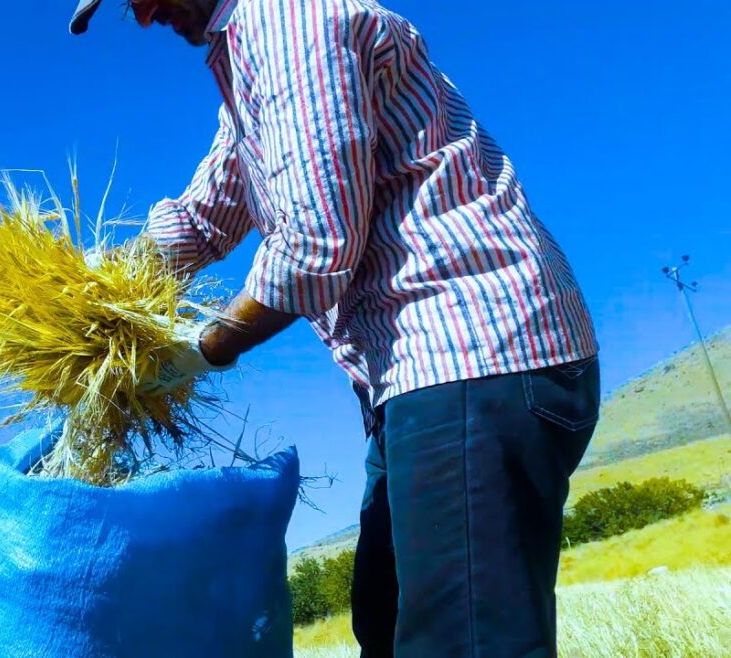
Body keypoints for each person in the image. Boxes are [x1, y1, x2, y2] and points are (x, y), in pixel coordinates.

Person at [70, 1, 601, 656]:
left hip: (468, 352)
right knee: (387, 623)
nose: (145, 17)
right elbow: (206, 217)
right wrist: (94, 291)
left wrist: (199, 351)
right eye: (128, 9)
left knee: (460, 641)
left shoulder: (288, 25)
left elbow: (315, 245)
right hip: (419, 377)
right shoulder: (250, 63)